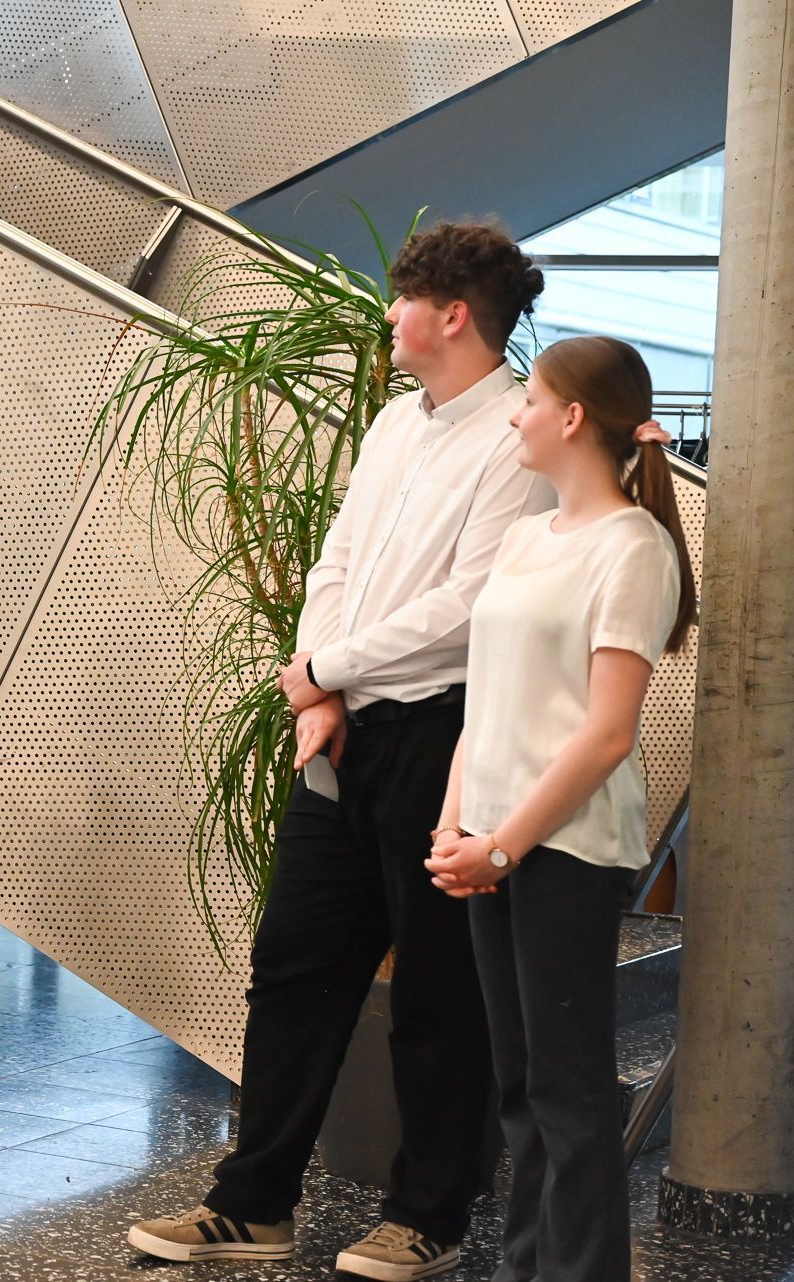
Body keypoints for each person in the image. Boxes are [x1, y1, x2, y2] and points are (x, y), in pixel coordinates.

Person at [128, 221, 554, 1280]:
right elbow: (339, 556)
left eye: (405, 298)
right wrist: (318, 679)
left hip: (440, 736)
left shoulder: (518, 434)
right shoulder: (390, 426)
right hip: (345, 731)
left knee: (435, 994)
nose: (389, 315)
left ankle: (430, 1214)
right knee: (294, 966)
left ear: (453, 315)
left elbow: (471, 606)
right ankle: (253, 1204)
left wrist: (332, 669)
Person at [425, 336, 693, 1282]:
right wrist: (457, 823)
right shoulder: (524, 535)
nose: (515, 412)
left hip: (565, 850)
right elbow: (484, 696)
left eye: (529, 398)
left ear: (574, 417)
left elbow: (608, 734)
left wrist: (502, 846)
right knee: (518, 1088)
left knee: (568, 1093)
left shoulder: (635, 548)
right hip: (493, 839)